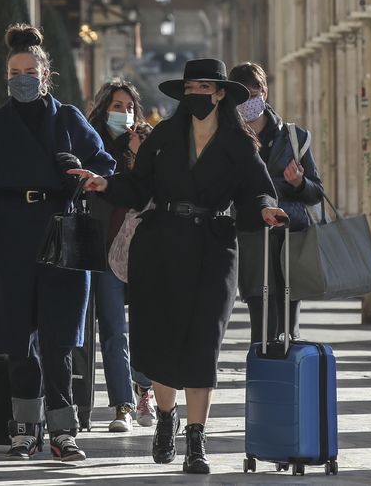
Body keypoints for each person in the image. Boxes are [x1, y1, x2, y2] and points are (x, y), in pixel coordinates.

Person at [69, 58, 287, 475]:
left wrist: (266, 211)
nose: (197, 96)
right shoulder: (165, 137)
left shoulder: (238, 142)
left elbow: (259, 191)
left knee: (204, 342)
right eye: (190, 88)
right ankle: (167, 419)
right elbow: (138, 187)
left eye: (205, 88)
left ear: (221, 93)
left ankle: (196, 439)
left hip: (215, 247)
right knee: (164, 340)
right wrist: (106, 183)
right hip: (161, 244)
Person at [0, 24, 116, 462]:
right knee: (19, 339)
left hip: (63, 235)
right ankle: (23, 427)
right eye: (15, 71)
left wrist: (88, 176)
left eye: (30, 70)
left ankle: (63, 430)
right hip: (10, 237)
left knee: (58, 340)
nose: (22, 78)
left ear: (45, 74)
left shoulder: (70, 118)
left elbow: (105, 167)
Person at [229, 62, 324, 344]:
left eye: (253, 94)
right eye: (241, 97)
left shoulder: (295, 137)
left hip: (289, 239)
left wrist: (298, 183)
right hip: (252, 237)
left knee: (288, 325)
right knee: (260, 316)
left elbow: (316, 192)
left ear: (265, 93)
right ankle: (263, 375)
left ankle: (288, 378)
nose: (248, 102)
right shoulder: (228, 139)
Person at [86, 79, 157, 431]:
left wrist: (140, 153)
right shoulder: (91, 143)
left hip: (142, 251)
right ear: (104, 109)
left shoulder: (145, 142)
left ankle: (145, 388)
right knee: (113, 329)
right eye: (117, 106)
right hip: (104, 250)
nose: (124, 113)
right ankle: (122, 406)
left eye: (129, 107)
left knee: (145, 326)